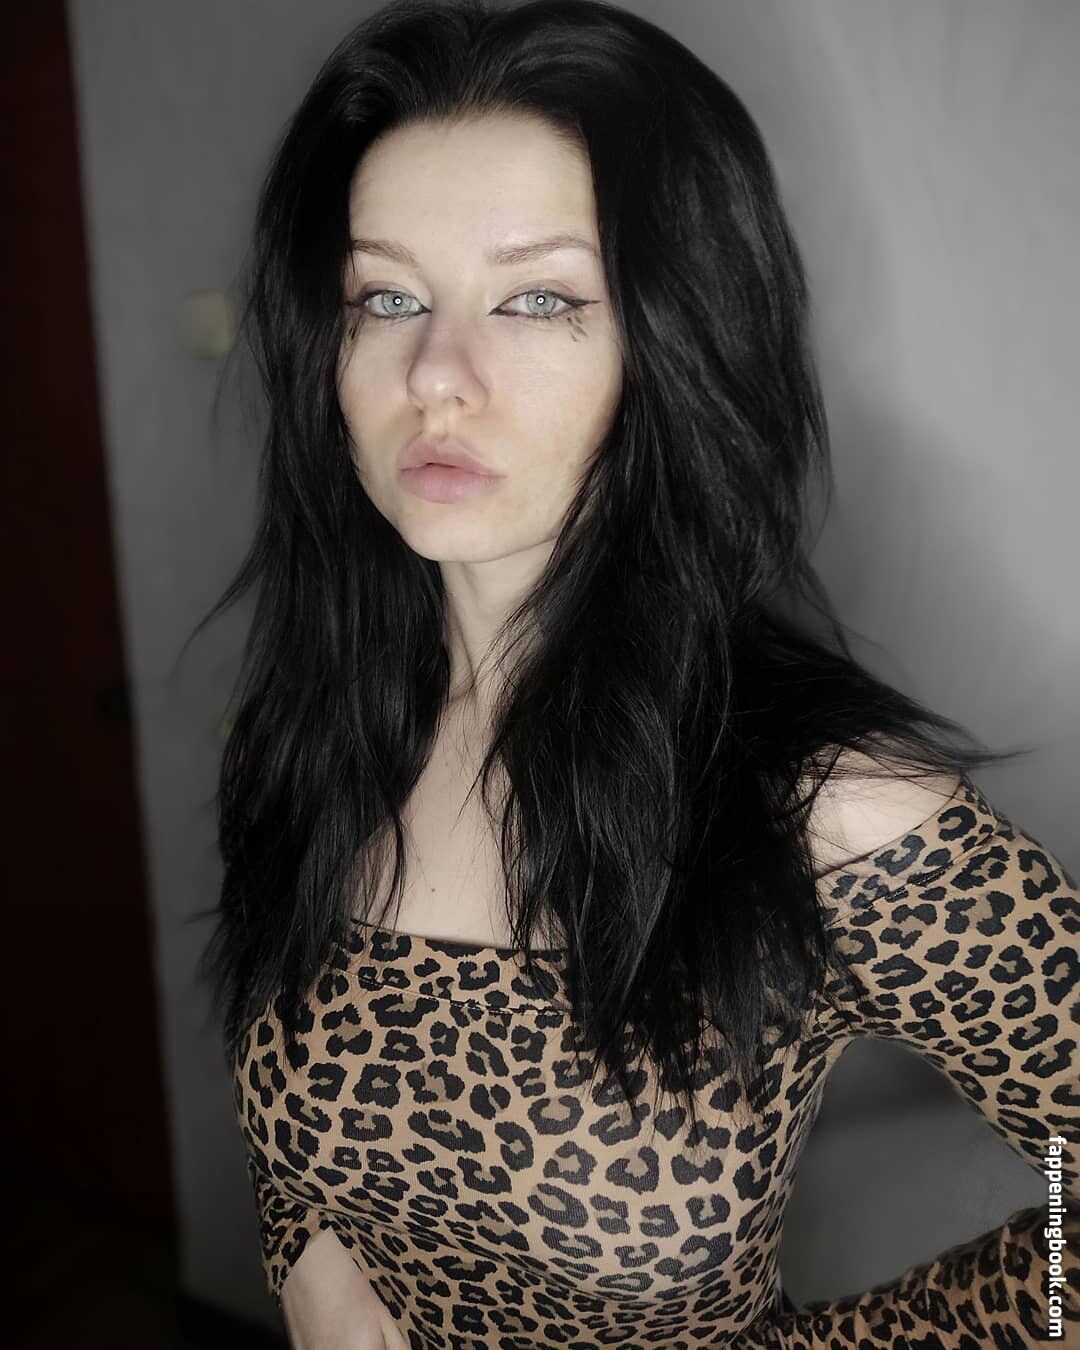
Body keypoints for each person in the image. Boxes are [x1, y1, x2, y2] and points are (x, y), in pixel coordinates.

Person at [192, 1, 1078, 1345]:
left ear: (673, 344)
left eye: (540, 298)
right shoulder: (302, 740)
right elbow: (294, 1103)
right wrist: (304, 1246)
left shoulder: (834, 812)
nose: (438, 376)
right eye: (388, 297)